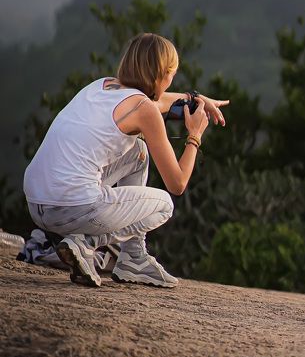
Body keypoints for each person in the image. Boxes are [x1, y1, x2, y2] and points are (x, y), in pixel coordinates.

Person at [23, 32, 229, 290]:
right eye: (172, 73)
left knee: (138, 153)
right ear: (162, 74)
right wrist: (195, 136)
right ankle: (86, 244)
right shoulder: (145, 110)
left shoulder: (102, 86)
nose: (172, 80)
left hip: (37, 203)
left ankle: (133, 256)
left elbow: (157, 101)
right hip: (68, 209)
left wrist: (195, 99)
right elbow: (177, 183)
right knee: (164, 205)